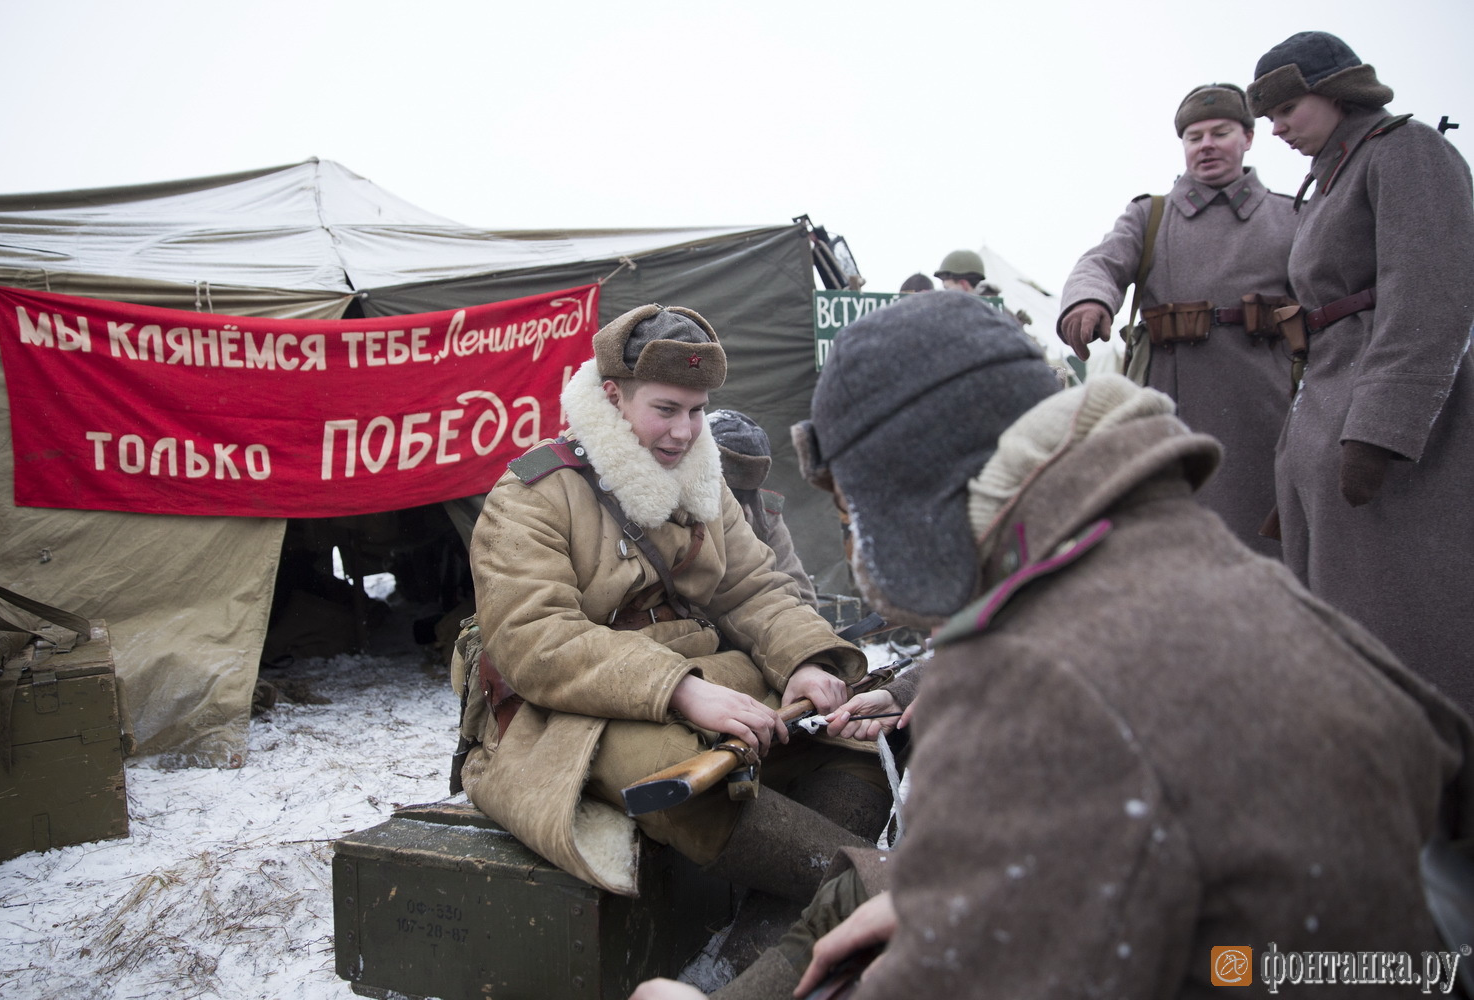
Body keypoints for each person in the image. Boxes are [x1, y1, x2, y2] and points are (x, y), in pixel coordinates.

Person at [632, 290, 1474, 1000]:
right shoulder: (1226, 573)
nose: (857, 547)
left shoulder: (1025, 681)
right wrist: (957, 901)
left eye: (855, 513)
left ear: (917, 500)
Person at [460, 303, 890, 909]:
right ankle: (879, 897)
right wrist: (681, 690)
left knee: (857, 740)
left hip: (709, 680)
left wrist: (803, 661)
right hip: (574, 711)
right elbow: (537, 642)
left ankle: (779, 928)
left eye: (696, 411)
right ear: (612, 396)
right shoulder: (533, 495)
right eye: (665, 410)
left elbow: (754, 588)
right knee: (683, 781)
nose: (685, 432)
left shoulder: (705, 486)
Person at [1247, 31, 1474, 715]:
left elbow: (1432, 293)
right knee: (1344, 624)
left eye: (1288, 108)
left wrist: (1379, 428)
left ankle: (1442, 791)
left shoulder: (1405, 150)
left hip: (1393, 436)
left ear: (1336, 90)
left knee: (1405, 624)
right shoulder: (1330, 178)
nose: (1278, 127)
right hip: (1328, 410)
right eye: (1271, 116)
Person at [1057, 83, 1297, 558]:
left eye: (1220, 132)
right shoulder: (1151, 216)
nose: (1205, 145)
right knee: (1170, 545)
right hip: (1172, 404)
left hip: (1269, 408)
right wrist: (1089, 301)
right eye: (1193, 136)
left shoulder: (1290, 217)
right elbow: (1101, 263)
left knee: (1265, 551)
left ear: (1248, 137)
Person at [706, 408, 816, 604]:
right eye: (723, 490)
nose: (732, 504)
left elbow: (802, 597)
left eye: (741, 494)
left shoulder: (764, 516)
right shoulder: (671, 512)